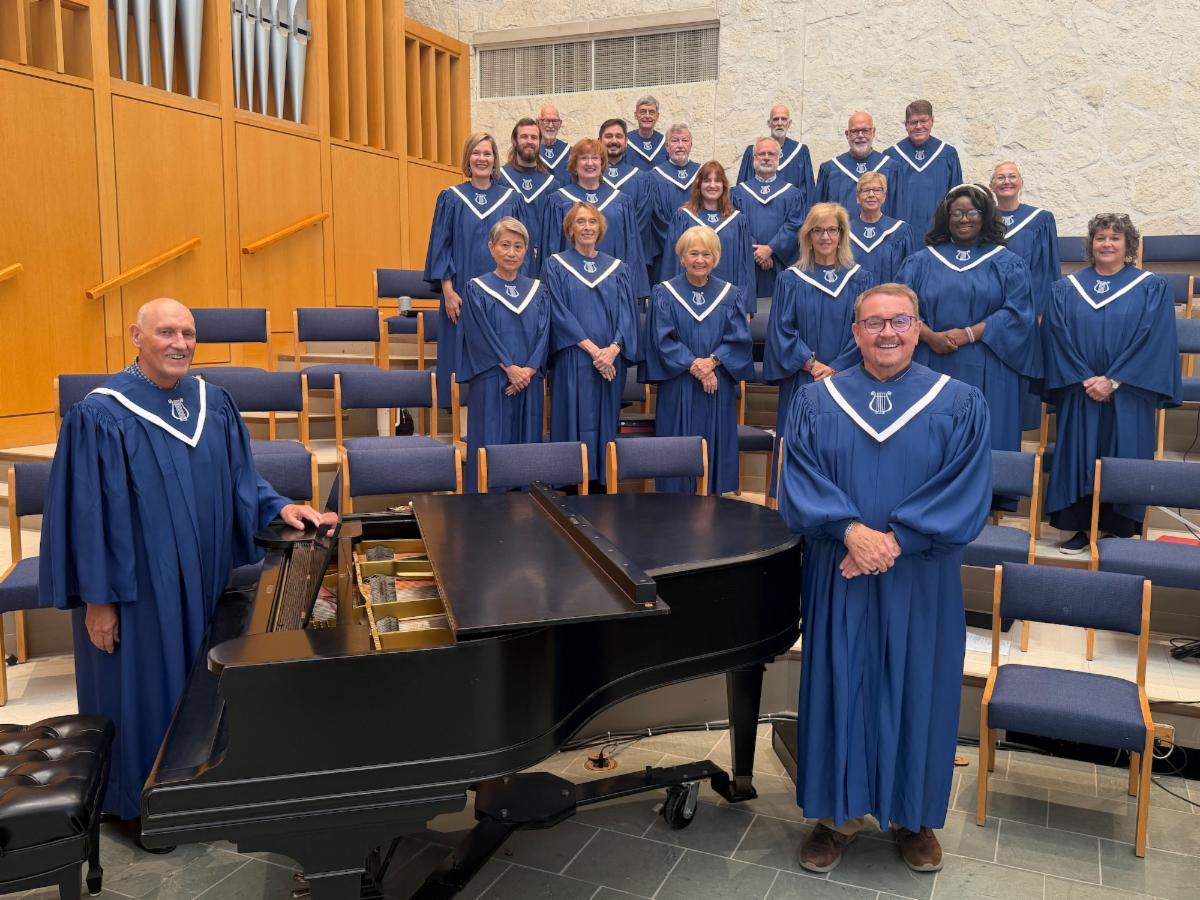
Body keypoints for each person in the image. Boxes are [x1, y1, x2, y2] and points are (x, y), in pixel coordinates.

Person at [39, 298, 335, 827]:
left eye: (188, 333)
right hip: (136, 594)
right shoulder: (100, 415)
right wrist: (98, 601)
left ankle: (197, 795)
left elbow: (241, 479)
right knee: (144, 695)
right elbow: (86, 516)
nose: (180, 344)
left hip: (203, 581)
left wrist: (279, 507)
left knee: (201, 694)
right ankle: (143, 807)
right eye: (166, 332)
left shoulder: (212, 402)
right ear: (136, 337)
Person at [780, 283, 991, 876]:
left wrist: (894, 541)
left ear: (917, 328)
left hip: (919, 575)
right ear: (855, 333)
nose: (888, 333)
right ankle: (835, 815)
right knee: (840, 681)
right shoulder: (817, 400)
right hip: (840, 569)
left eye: (900, 321)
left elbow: (966, 489)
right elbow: (798, 479)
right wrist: (850, 531)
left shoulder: (960, 401)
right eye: (874, 323)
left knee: (918, 684)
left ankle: (912, 816)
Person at [1042, 213, 1181, 554]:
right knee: (1080, 455)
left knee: (1125, 452)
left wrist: (1114, 380)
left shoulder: (1151, 287)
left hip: (1130, 391)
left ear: (1128, 244)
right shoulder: (1066, 289)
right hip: (1080, 389)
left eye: (1115, 238)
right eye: (1100, 237)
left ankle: (1118, 529)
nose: (1106, 244)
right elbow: (1057, 336)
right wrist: (1085, 377)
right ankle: (1081, 528)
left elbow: (1153, 338)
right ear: (1090, 244)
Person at [896, 184, 1038, 454]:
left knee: (986, 443)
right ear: (946, 217)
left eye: (972, 213)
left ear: (985, 216)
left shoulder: (1008, 263)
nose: (964, 219)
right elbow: (900, 309)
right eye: (956, 213)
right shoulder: (920, 262)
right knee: (929, 445)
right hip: (930, 360)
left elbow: (1019, 313)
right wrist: (929, 336)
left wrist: (970, 333)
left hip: (990, 364)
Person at [764, 203, 874, 493]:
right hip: (803, 378)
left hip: (847, 379)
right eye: (818, 230)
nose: (825, 237)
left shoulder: (860, 279)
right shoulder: (790, 279)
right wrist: (812, 365)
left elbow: (865, 328)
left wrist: (837, 367)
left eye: (832, 230)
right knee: (799, 441)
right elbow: (782, 330)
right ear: (808, 236)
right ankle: (794, 501)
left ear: (841, 235)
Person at [642, 225, 754, 495]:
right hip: (679, 383)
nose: (700, 260)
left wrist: (712, 362)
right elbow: (662, 339)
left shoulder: (730, 295)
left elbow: (739, 339)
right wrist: (695, 365)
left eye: (706, 254)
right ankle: (673, 507)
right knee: (676, 450)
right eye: (693, 253)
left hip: (716, 386)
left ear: (715, 258)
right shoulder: (664, 293)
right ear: (682, 257)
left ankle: (712, 505)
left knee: (713, 449)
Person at [425, 132, 531, 407]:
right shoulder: (451, 198)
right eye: (476, 153)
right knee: (461, 356)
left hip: (503, 295)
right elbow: (441, 248)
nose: (481, 159)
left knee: (501, 348)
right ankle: (461, 416)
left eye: (487, 153)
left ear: (495, 159)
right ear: (467, 158)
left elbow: (522, 250)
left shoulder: (511, 199)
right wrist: (448, 292)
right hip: (460, 295)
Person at [544, 202, 641, 486]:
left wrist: (613, 349)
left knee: (605, 418)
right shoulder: (555, 266)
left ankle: (603, 483)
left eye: (592, 222)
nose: (587, 227)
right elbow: (558, 313)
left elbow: (628, 314)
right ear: (570, 229)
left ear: (600, 228)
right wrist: (594, 350)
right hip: (573, 357)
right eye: (580, 222)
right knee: (570, 417)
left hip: (610, 362)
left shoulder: (618, 269)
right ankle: (570, 484)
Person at [458, 217, 550, 492]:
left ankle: (528, 508)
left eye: (518, 246)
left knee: (527, 451)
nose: (511, 252)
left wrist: (528, 370)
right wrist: (509, 368)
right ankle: (487, 509)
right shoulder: (476, 288)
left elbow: (544, 333)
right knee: (491, 447)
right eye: (505, 245)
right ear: (491, 247)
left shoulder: (538, 290)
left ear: (526, 251)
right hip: (492, 380)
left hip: (529, 382)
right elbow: (479, 334)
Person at [990, 160, 1063, 431]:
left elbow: (1047, 269)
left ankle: (1017, 433)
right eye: (1000, 178)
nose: (1006, 182)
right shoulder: (982, 220)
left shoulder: (1040, 220)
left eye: (1012, 176)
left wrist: (1040, 312)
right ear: (991, 185)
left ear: (1021, 182)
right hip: (990, 311)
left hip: (1027, 313)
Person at [540, 137, 650, 297]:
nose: (590, 163)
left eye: (595, 158)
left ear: (602, 163)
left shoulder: (622, 201)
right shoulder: (557, 201)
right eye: (583, 158)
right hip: (570, 288)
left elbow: (632, 251)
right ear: (574, 165)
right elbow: (551, 249)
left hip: (613, 286)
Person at [661, 160, 756, 315]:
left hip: (727, 302)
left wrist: (746, 308)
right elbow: (672, 261)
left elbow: (745, 268)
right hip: (687, 301)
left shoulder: (738, 221)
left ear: (724, 185)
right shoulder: (683, 217)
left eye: (717, 181)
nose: (712, 185)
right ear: (699, 185)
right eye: (707, 181)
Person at [731, 137, 808, 302]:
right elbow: (735, 226)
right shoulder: (738, 193)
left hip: (779, 265)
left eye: (771, 154)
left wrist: (771, 249)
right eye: (762, 154)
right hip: (748, 264)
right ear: (754, 158)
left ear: (778, 158)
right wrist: (758, 253)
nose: (766, 158)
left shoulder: (792, 194)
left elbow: (795, 225)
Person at [885, 101, 963, 238]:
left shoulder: (947, 154)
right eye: (913, 122)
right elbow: (885, 202)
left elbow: (957, 199)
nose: (918, 126)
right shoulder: (892, 157)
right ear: (906, 125)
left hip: (938, 236)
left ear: (932, 121)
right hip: (901, 236)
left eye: (923, 121)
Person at [499, 118, 557, 268]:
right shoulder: (500, 179)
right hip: (506, 258)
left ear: (540, 142)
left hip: (541, 260)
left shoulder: (551, 184)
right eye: (524, 137)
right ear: (514, 141)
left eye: (534, 137)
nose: (529, 141)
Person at [647, 123, 701, 281]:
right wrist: (678, 244)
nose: (680, 145)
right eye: (675, 141)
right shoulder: (654, 177)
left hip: (700, 250)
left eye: (685, 140)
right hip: (667, 252)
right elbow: (655, 219)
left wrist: (697, 242)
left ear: (691, 145)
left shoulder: (702, 174)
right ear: (667, 146)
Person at [815, 111, 892, 219]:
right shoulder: (830, 169)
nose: (860, 135)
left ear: (873, 132)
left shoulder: (891, 167)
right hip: (841, 230)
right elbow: (819, 215)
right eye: (855, 131)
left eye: (865, 130)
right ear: (847, 134)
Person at [848, 172, 916, 284]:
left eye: (877, 190)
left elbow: (908, 275)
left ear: (884, 196)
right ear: (857, 198)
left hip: (889, 295)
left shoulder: (900, 231)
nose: (871, 195)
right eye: (866, 190)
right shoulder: (845, 232)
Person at [737, 104, 814, 198]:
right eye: (775, 119)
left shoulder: (800, 152)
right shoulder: (754, 151)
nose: (779, 123)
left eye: (783, 119)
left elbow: (808, 192)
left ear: (789, 123)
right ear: (769, 123)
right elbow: (742, 190)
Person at [626, 95, 666, 171]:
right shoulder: (625, 141)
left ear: (657, 116)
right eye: (643, 112)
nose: (647, 116)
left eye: (651, 112)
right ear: (636, 115)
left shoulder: (665, 142)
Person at [537, 104, 570, 183]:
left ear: (560, 124)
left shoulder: (570, 152)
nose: (551, 126)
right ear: (538, 122)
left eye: (555, 121)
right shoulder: (531, 151)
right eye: (546, 121)